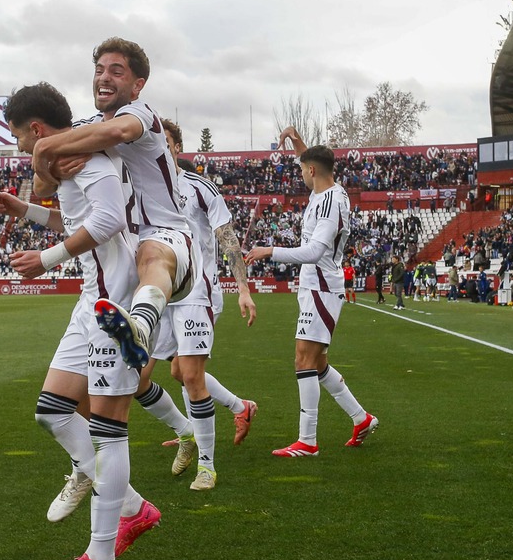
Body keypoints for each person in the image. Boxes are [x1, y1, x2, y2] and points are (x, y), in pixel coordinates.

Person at [0, 82, 158, 560]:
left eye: (21, 137)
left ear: (39, 130)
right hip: (92, 298)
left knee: (108, 429)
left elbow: (107, 219)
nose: (22, 147)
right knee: (53, 411)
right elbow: (79, 218)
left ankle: (100, 558)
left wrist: (44, 260)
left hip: (113, 302)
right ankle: (128, 502)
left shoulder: (87, 158)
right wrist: (25, 211)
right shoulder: (71, 158)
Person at [30, 37, 196, 370]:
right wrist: (51, 166)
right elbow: (41, 187)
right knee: (63, 406)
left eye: (116, 71)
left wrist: (44, 151)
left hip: (169, 238)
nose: (104, 77)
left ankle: (140, 329)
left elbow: (118, 132)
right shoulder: (85, 128)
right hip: (122, 255)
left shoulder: (142, 115)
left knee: (151, 251)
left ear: (138, 86)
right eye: (99, 69)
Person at [135, 119, 258, 491]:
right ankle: (194, 427)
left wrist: (243, 288)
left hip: (194, 294)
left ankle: (207, 465)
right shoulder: (137, 189)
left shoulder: (199, 188)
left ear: (176, 148)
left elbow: (226, 237)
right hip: (155, 295)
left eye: (166, 142)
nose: (160, 148)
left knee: (189, 375)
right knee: (141, 379)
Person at [246, 136, 378, 457]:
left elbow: (315, 251)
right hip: (314, 287)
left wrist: (269, 251)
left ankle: (308, 441)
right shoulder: (325, 189)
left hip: (321, 287)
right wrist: (294, 138)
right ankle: (361, 419)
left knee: (303, 360)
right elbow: (310, 161)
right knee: (317, 364)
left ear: (312, 170)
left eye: (302, 169)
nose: (300, 173)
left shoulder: (331, 202)